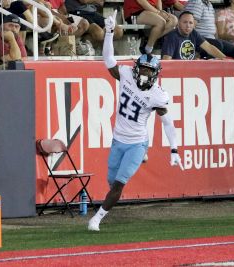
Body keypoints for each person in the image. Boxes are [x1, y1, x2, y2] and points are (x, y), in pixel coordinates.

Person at [88, 11, 184, 231]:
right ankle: (138, 158)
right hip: (118, 139)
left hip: (136, 142)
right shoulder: (127, 75)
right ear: (136, 68)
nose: (143, 74)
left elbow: (167, 122)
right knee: (112, 181)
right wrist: (110, 32)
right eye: (142, 69)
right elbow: (108, 60)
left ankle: (97, 218)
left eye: (149, 71)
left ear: (156, 74)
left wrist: (174, 150)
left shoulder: (157, 95)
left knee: (119, 185)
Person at [161, 11, 227, 60]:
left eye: (190, 23)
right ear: (178, 23)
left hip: (190, 69)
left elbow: (209, 47)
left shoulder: (193, 33)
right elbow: (166, 60)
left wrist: (225, 59)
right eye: (185, 22)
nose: (188, 26)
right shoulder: (172, 36)